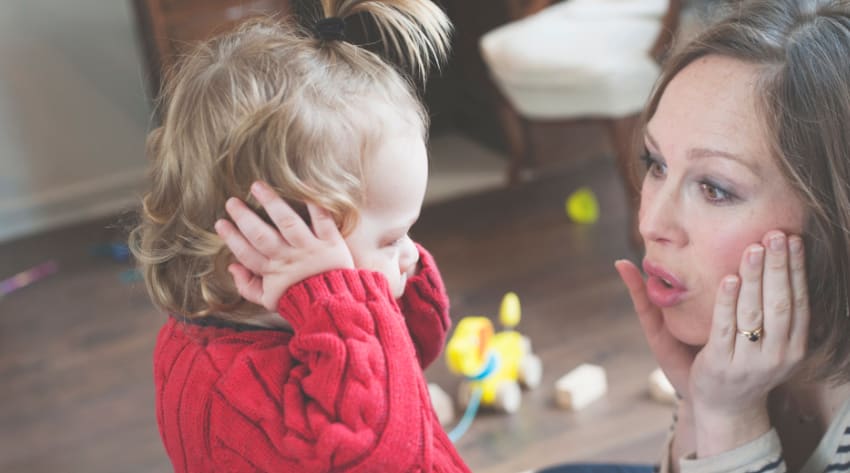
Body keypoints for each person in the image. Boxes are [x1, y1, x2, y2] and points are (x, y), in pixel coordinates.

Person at [128, 0, 470, 471]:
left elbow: (408, 355)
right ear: (276, 239)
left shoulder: (309, 323)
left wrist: (343, 299)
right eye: (391, 239)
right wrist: (341, 301)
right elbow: (378, 460)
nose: (412, 255)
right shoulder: (230, 387)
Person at [611, 0, 850, 472]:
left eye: (715, 189)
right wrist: (697, 404)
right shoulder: (738, 339)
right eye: (656, 164)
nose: (650, 224)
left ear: (833, 219)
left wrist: (729, 417)